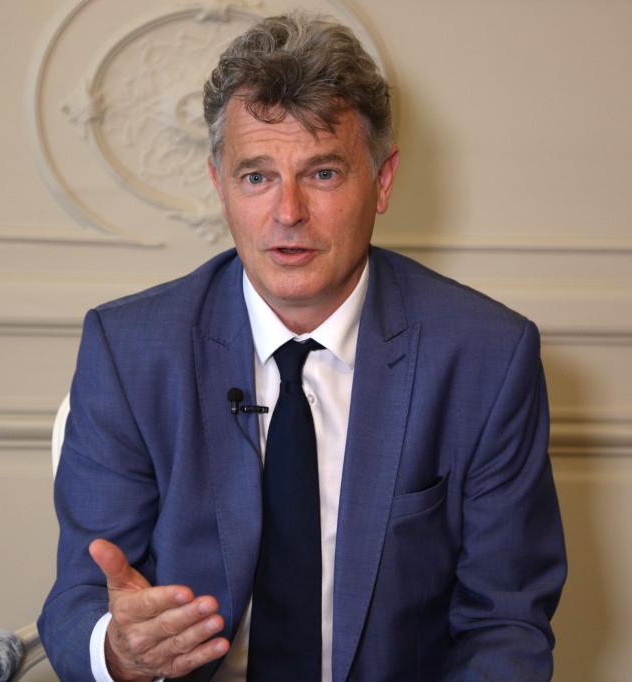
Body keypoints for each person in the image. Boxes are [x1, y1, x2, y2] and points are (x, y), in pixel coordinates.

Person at [38, 12, 566, 682]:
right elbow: (79, 601)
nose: (287, 213)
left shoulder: (485, 357)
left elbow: (505, 624)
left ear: (381, 181)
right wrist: (119, 650)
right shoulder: (130, 353)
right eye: (256, 177)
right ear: (219, 185)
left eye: (321, 174)